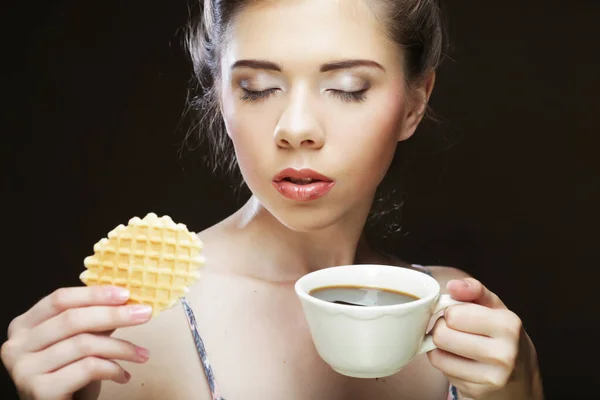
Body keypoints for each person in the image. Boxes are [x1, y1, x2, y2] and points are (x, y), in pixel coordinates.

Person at [2, 0, 545, 399]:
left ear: (414, 102)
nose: (297, 129)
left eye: (349, 86)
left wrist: (518, 392)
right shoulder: (136, 325)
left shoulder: (463, 323)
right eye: (258, 88)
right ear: (221, 96)